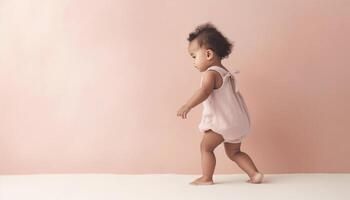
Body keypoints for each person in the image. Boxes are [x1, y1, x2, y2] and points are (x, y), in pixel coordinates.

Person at [177, 23, 264, 185]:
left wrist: (187, 105)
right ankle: (254, 174)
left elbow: (204, 92)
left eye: (194, 56)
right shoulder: (226, 73)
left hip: (223, 123)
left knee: (206, 147)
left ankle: (207, 178)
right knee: (235, 152)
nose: (194, 62)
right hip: (239, 122)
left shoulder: (211, 74)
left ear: (208, 54)